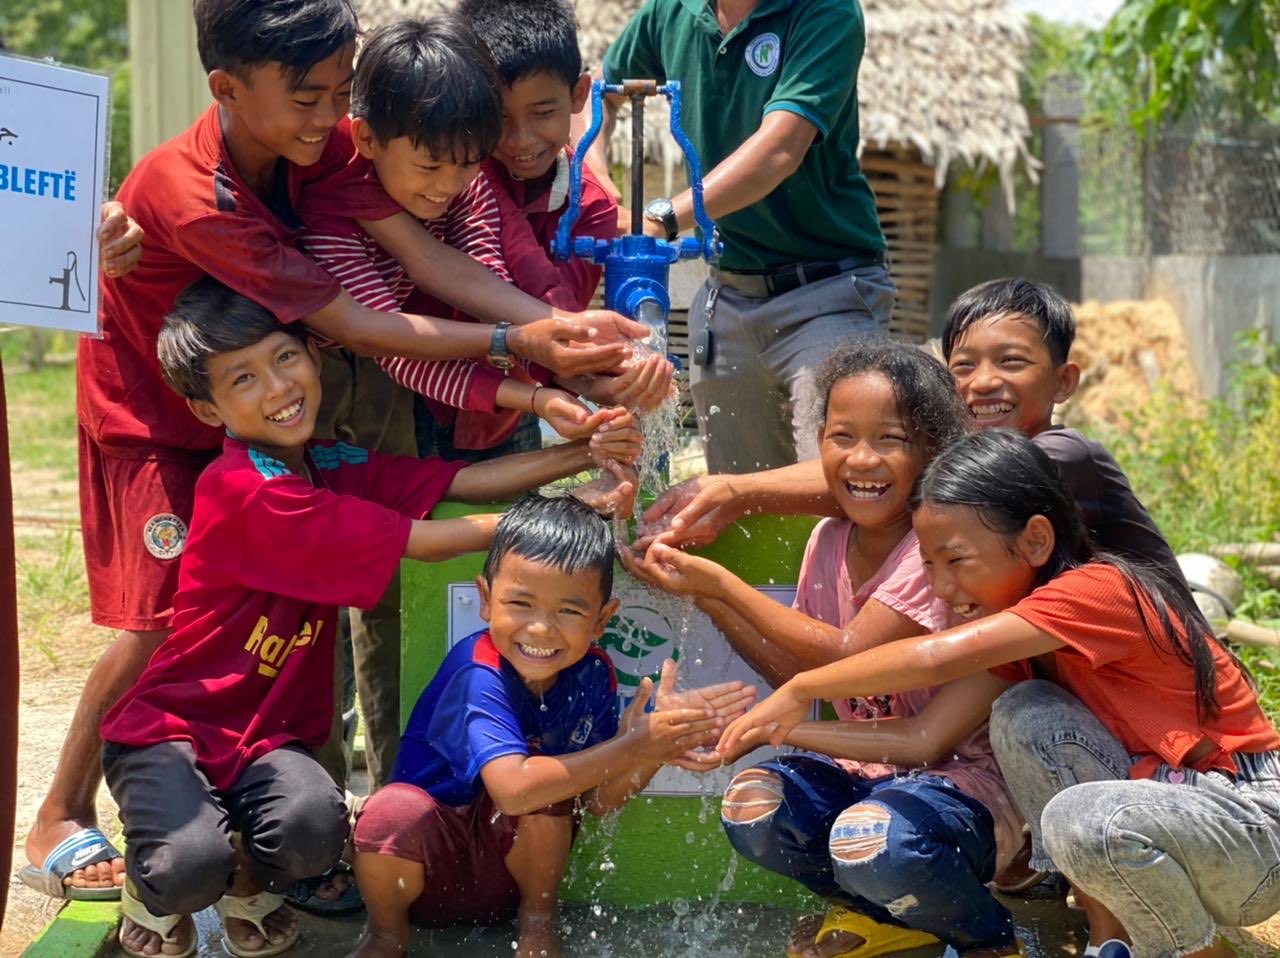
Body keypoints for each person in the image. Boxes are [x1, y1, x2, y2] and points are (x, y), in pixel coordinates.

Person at [27, 0, 647, 902]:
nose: (331, 117)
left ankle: (265, 834)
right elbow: (350, 322)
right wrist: (522, 345)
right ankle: (61, 808)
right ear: (226, 89)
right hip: (157, 419)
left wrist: (553, 330)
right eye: (310, 97)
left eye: (340, 91)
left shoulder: (317, 150)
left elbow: (428, 264)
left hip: (257, 415)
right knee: (158, 621)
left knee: (282, 609)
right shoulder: (188, 188)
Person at [99, 277, 641, 958]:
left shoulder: (324, 462)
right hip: (174, 728)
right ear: (208, 409)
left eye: (284, 357)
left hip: (263, 738)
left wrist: (586, 451)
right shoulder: (244, 489)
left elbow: (452, 481)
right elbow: (421, 538)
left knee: (314, 832)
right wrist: (565, 514)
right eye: (244, 378)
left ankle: (244, 877)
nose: (278, 387)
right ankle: (151, 886)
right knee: (185, 867)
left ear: (313, 354)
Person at [722, 429, 1280, 958]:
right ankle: (1108, 939)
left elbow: (934, 657)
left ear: (1035, 540)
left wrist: (803, 686)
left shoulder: (1097, 590)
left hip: (1247, 824)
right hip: (1161, 816)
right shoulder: (1021, 644)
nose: (942, 588)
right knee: (1024, 714)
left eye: (956, 561)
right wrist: (776, 728)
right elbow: (922, 736)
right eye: (929, 565)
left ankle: (1201, 951)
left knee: (1076, 815)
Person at [296, 15, 646, 797]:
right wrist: (538, 369)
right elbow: (396, 343)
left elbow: (479, 269)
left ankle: (461, 789)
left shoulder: (459, 167)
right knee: (354, 590)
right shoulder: (335, 191)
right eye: (431, 169)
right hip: (350, 385)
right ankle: (369, 797)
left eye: (463, 170)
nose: (446, 188)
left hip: (451, 396)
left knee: (431, 570)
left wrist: (561, 358)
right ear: (368, 138)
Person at [626, 341, 1023, 958]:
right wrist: (706, 601)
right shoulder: (828, 539)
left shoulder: (932, 552)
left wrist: (721, 584)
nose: (862, 458)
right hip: (868, 769)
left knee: (877, 842)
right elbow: (800, 673)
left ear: (934, 452)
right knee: (753, 808)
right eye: (842, 436)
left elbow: (846, 656)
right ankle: (885, 914)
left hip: (960, 787)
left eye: (891, 439)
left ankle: (988, 937)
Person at [347, 494, 756, 958]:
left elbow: (598, 800)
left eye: (569, 611)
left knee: (553, 780)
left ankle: (538, 925)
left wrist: (654, 749)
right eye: (520, 603)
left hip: (509, 880)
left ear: (601, 620)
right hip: (426, 872)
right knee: (391, 811)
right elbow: (513, 790)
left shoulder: (592, 673)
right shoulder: (476, 670)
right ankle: (386, 935)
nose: (541, 629)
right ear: (486, 600)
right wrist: (632, 745)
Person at [635, 279, 1183, 587]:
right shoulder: (956, 465)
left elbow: (900, 482)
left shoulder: (1064, 454)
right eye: (963, 366)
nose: (983, 382)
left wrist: (738, 492)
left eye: (1012, 362)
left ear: (1064, 382)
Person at [583, 0, 896, 473]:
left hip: (829, 291)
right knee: (740, 501)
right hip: (728, 297)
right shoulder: (673, 11)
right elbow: (596, 94)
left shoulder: (826, 10)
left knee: (842, 479)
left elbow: (779, 149)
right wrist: (601, 187)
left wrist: (662, 218)